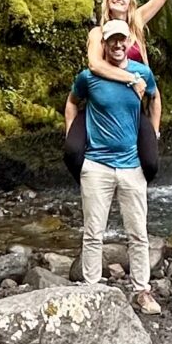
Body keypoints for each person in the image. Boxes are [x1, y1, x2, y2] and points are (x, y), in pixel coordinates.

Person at [65, 18, 160, 310]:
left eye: (122, 40)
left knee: (138, 233)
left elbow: (155, 99)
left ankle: (142, 291)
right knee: (94, 232)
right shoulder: (88, 78)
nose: (118, 45)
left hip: (131, 165)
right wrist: (71, 133)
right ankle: (92, 289)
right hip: (96, 165)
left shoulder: (142, 73)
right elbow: (71, 103)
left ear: (129, 43)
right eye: (112, 40)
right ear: (103, 44)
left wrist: (154, 132)